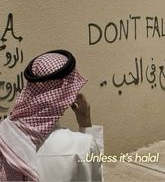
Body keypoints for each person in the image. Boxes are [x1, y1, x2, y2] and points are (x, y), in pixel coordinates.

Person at [0, 50, 103, 181]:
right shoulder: (82, 146)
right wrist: (86, 125)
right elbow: (95, 175)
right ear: (66, 92)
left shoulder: (5, 133)